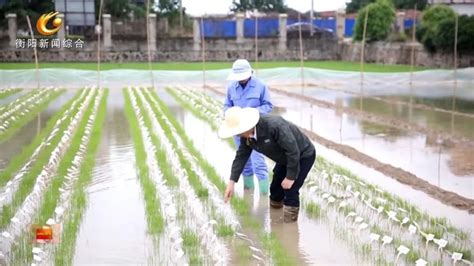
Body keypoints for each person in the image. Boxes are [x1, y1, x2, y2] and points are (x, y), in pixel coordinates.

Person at [218, 107, 316, 223]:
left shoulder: (274, 125)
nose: (237, 135)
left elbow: (293, 151)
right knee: (275, 189)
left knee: (291, 190)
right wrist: (231, 182)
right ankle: (275, 222)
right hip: (283, 157)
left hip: (302, 155)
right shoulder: (247, 136)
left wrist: (290, 177)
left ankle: (290, 228)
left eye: (237, 132)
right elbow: (241, 156)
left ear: (245, 126)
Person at [223, 59, 273, 194]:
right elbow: (227, 105)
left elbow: (268, 105)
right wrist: (229, 114)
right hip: (239, 131)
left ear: (249, 73)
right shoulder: (232, 87)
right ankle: (248, 193)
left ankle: (264, 196)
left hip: (256, 130)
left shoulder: (260, 86)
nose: (241, 80)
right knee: (244, 164)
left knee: (258, 163)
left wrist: (253, 113)